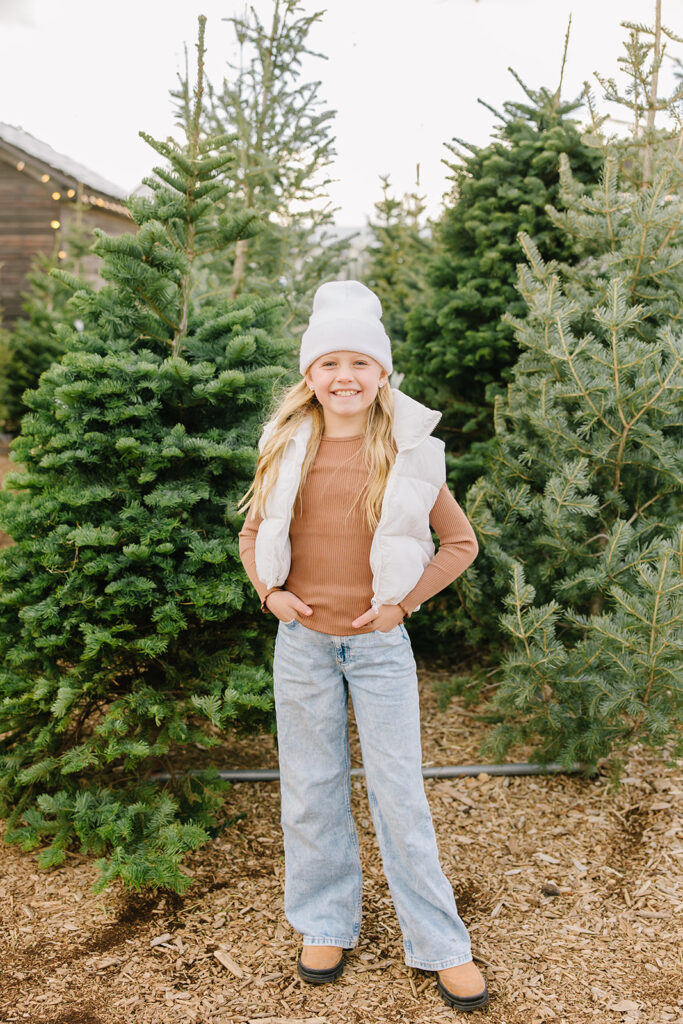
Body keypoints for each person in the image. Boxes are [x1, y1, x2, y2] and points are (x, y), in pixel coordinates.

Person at [237, 280, 488, 1012]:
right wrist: (269, 594)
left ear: (382, 374)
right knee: (311, 790)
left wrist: (400, 605)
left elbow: (459, 543)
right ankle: (323, 922)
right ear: (308, 375)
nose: (343, 376)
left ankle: (439, 943)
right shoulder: (284, 445)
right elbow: (253, 533)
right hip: (302, 644)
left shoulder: (409, 453)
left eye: (359, 363)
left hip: (376, 649)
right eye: (328, 364)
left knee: (398, 794)